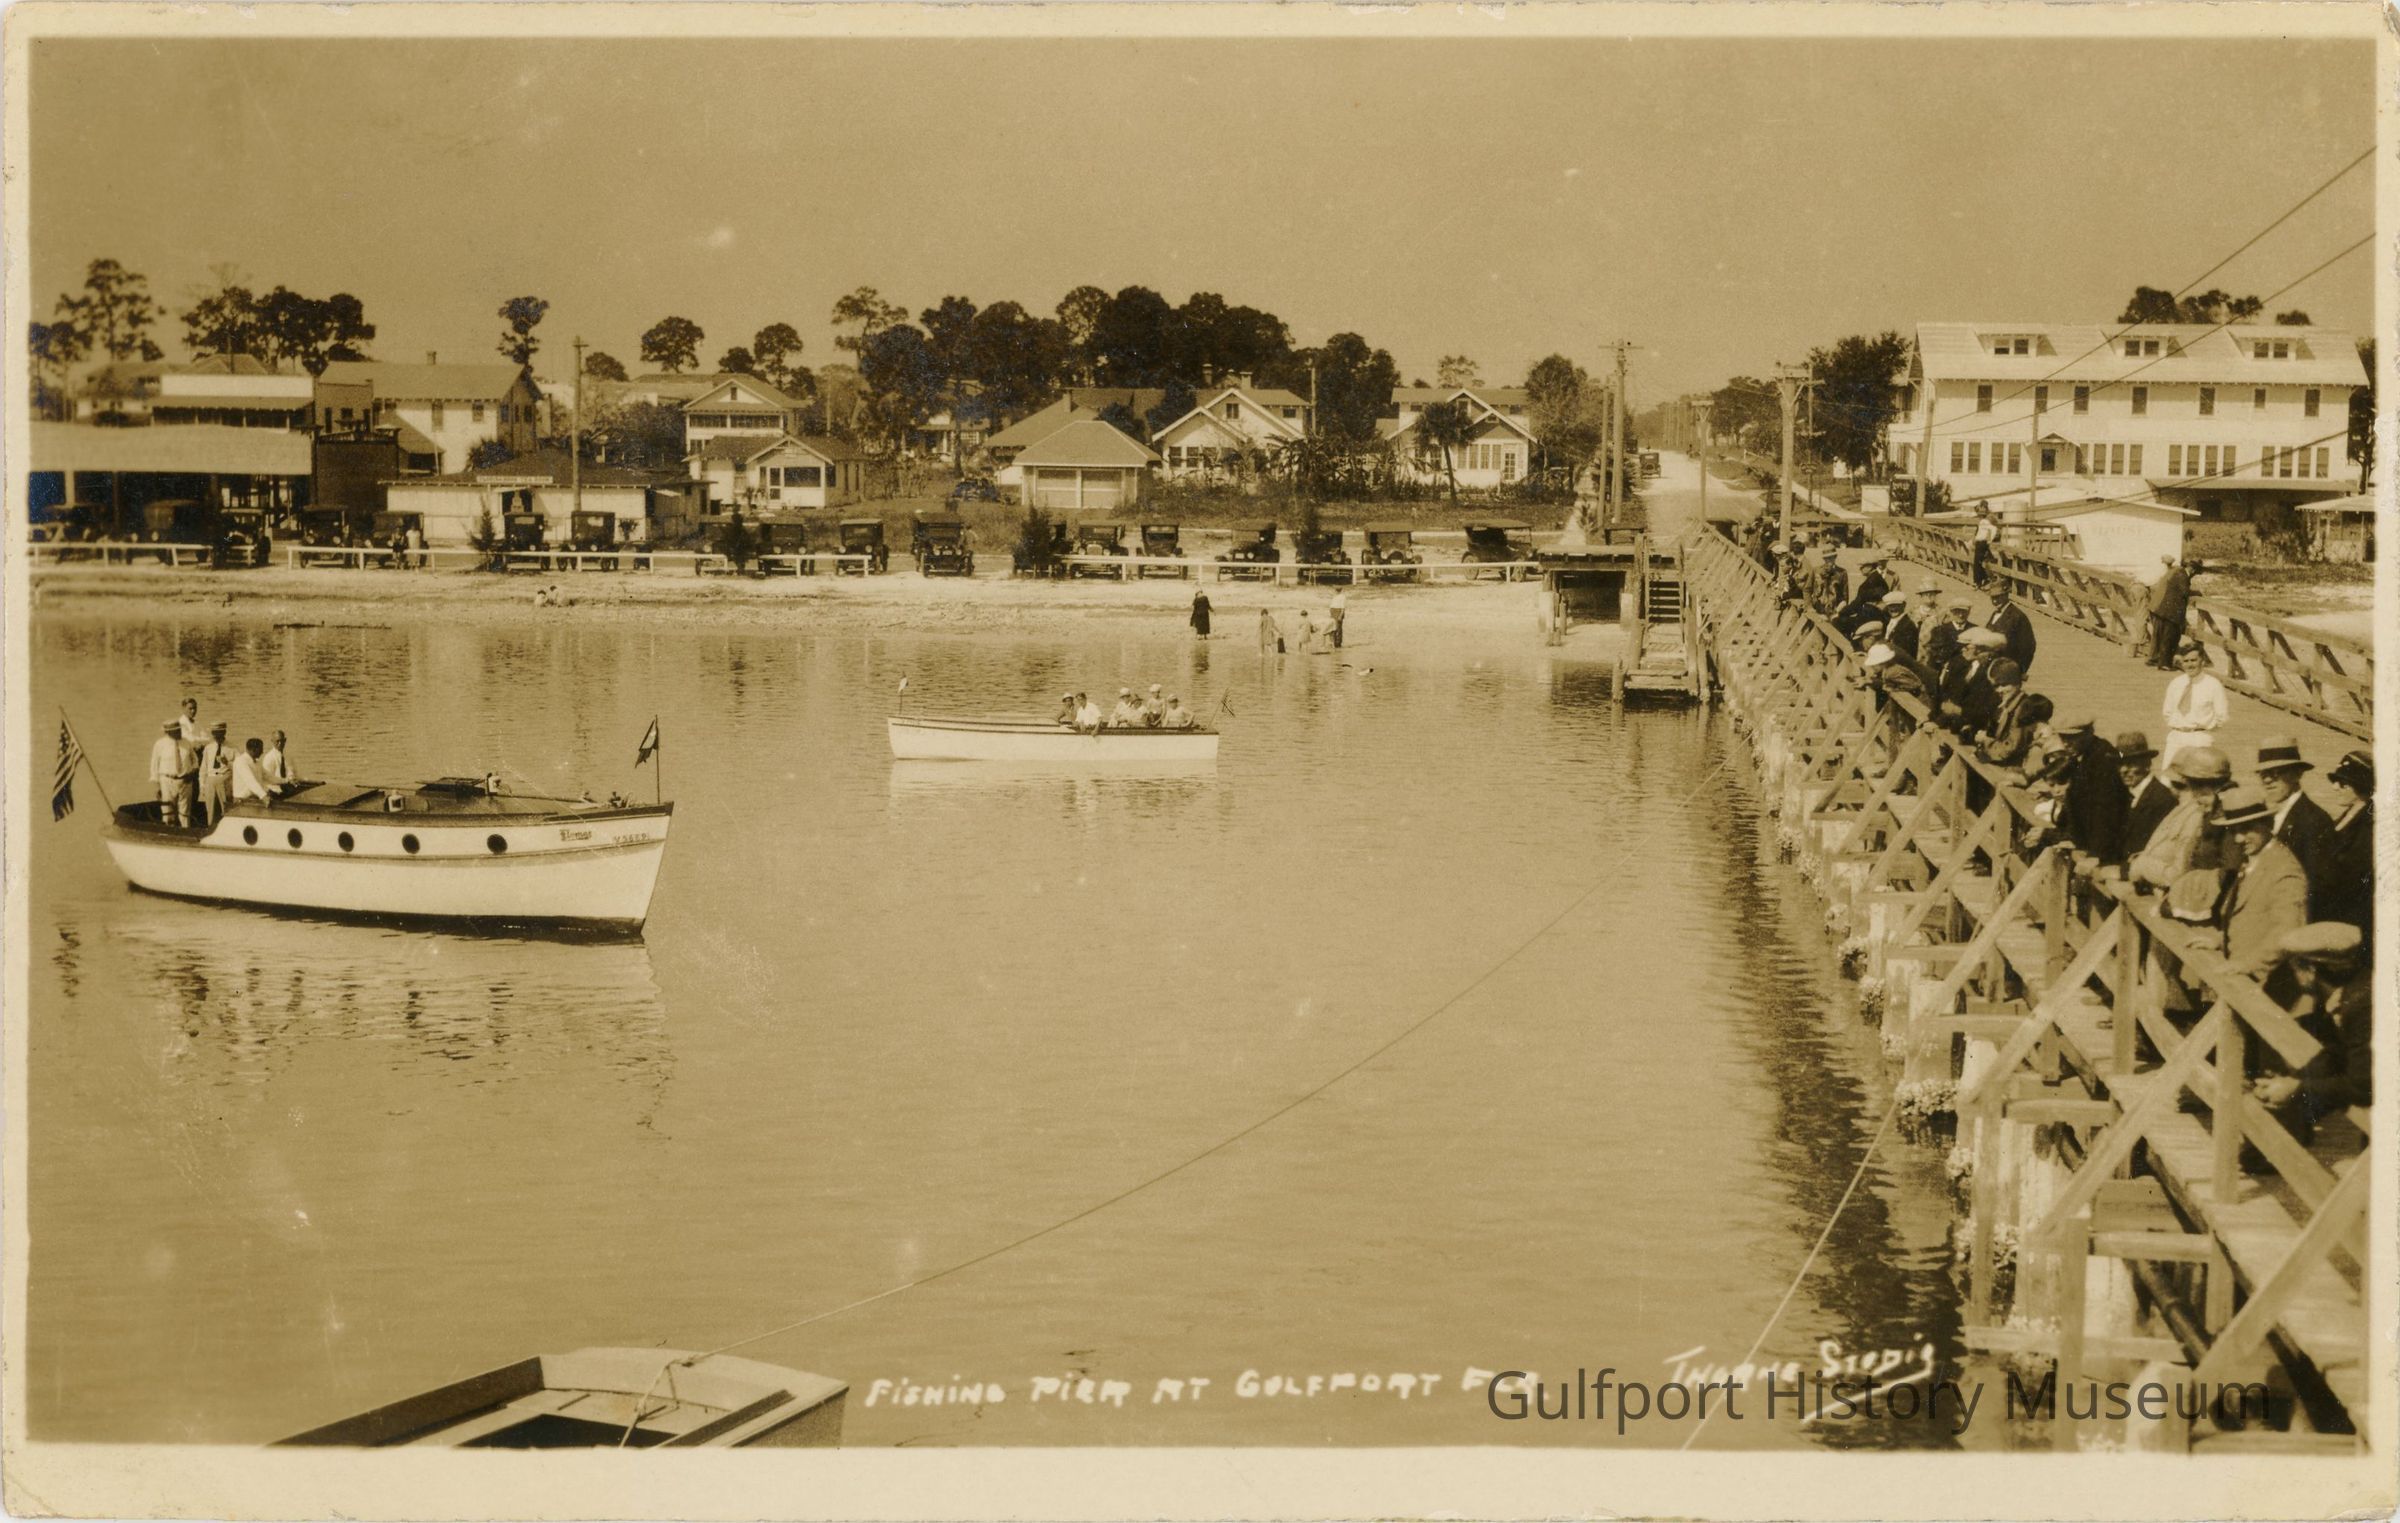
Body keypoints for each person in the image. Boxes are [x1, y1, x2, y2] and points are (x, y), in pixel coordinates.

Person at [2249, 923, 2370, 1144]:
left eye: (2294, 968)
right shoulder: (2349, 995)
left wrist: (2296, 1087)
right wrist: (2291, 1081)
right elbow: (2335, 1054)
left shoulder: (2361, 1007)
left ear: (2309, 972)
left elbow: (2362, 1085)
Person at [2212, 785, 2310, 980]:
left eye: (2246, 829)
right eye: (2233, 831)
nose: (2238, 838)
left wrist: (2249, 964)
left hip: (2268, 982)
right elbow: (2246, 918)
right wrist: (2219, 940)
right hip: (2241, 972)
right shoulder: (2255, 858)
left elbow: (2288, 932)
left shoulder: (2285, 869)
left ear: (2268, 824)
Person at [2129, 744, 2234, 890]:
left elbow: (2179, 874)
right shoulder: (2202, 810)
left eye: (2184, 784)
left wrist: (2141, 864)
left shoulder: (2202, 814)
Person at [2038, 717, 2129, 866]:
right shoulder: (2082, 754)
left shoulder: (2103, 760)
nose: (2066, 743)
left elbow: (2105, 811)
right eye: (2063, 737)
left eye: (2072, 738)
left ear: (2089, 733)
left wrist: (2097, 854)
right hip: (2085, 842)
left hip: (2102, 849)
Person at [2252, 737, 2334, 899]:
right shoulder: (2265, 813)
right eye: (2263, 774)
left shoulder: (2314, 820)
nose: (2267, 780)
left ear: (2297, 774)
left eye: (2276, 773)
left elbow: (2317, 885)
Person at [2318, 750, 2374, 941]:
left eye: (2343, 783)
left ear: (2360, 786)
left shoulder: (2368, 828)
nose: (2335, 787)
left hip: (2346, 919)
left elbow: (2352, 878)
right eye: (2335, 781)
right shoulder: (2347, 816)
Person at [2160, 643, 2228, 766]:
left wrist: (2203, 730)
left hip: (2200, 738)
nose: (2190, 665)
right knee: (2168, 775)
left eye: (2193, 660)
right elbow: (2167, 712)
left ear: (2202, 661)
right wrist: (2179, 726)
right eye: (2186, 661)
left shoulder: (2213, 685)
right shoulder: (2176, 683)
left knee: (2199, 774)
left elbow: (2222, 716)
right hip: (2176, 736)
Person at [2116, 732, 2176, 857]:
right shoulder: (2125, 795)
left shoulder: (2162, 798)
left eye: (2131, 763)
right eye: (2120, 764)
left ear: (2147, 765)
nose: (2123, 770)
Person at [2142, 554, 2191, 669]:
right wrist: (2194, 592)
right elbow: (2184, 592)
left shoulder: (2173, 571)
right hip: (2168, 611)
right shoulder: (2182, 574)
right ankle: (2164, 663)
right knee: (2169, 637)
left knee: (2158, 636)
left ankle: (2154, 659)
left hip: (2158, 607)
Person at [1985, 584, 2036, 676]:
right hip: (1992, 665)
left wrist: (2020, 670)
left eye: (1998, 597)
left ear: (2006, 596)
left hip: (2008, 667)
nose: (1995, 601)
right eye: (1992, 598)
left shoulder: (2017, 616)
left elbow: (2028, 646)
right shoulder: (1995, 614)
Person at [148, 719, 187, 827]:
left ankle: (185, 831)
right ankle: (168, 830)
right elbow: (154, 765)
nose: (179, 732)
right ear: (169, 732)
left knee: (184, 813)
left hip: (183, 781)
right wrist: (156, 786)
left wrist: (190, 773)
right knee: (167, 811)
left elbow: (194, 761)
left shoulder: (185, 742)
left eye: (180, 729)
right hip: (166, 780)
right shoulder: (160, 744)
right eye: (177, 730)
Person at [1921, 595, 1971, 676]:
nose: (1960, 615)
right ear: (1951, 612)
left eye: (1964, 612)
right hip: (1945, 674)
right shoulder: (1939, 631)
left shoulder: (1974, 630)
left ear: (1969, 612)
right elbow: (1933, 658)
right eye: (1957, 612)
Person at [231, 737, 273, 806]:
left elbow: (269, 777)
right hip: (242, 802)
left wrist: (286, 781)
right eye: (260, 749)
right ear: (254, 750)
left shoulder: (257, 763)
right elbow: (250, 781)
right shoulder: (240, 761)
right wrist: (263, 796)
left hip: (254, 800)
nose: (262, 752)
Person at [1969, 501, 1997, 586]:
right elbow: (1979, 531)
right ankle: (1983, 579)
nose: (1979, 515)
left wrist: (1989, 540)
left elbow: (1993, 530)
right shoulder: (1982, 521)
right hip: (1980, 542)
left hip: (1983, 543)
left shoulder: (1988, 519)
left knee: (1979, 562)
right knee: (1979, 562)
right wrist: (1974, 539)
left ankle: (1981, 580)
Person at [261, 729, 296, 795]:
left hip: (287, 787)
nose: (280, 743)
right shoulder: (269, 757)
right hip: (274, 790)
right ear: (272, 741)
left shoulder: (288, 756)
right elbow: (269, 778)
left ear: (285, 740)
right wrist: (286, 781)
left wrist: (291, 778)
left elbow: (291, 771)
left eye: (282, 741)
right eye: (277, 741)